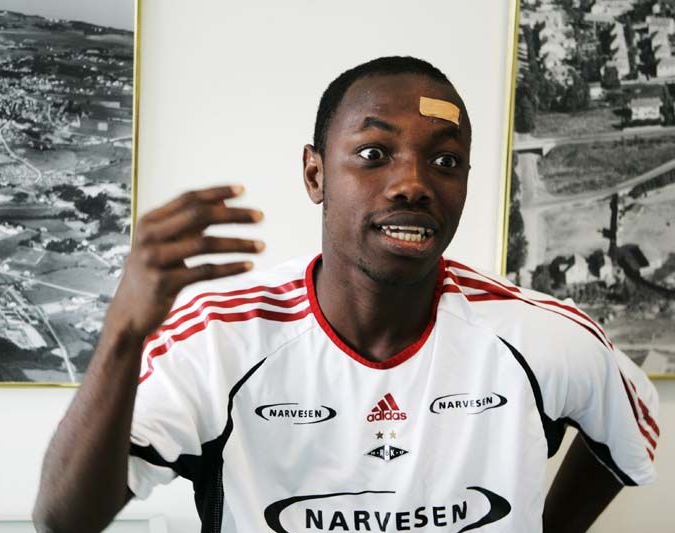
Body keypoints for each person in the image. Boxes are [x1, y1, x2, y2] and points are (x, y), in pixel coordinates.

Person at [33, 56, 659, 533]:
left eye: (445, 162)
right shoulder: (217, 340)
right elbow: (64, 520)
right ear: (316, 173)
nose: (413, 184)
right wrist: (123, 333)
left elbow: (629, 430)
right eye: (373, 153)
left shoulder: (542, 336)